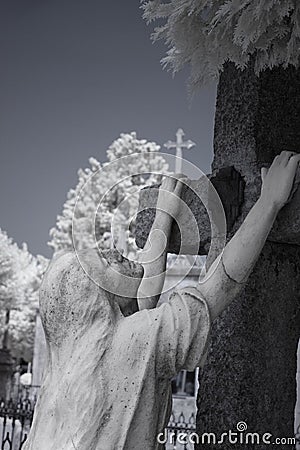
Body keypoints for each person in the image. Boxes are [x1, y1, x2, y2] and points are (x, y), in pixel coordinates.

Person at [24, 151, 300, 450]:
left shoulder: (69, 370)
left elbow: (144, 301)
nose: (118, 254)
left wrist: (162, 217)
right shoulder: (133, 343)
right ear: (95, 304)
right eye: (107, 264)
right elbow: (218, 287)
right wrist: (269, 202)